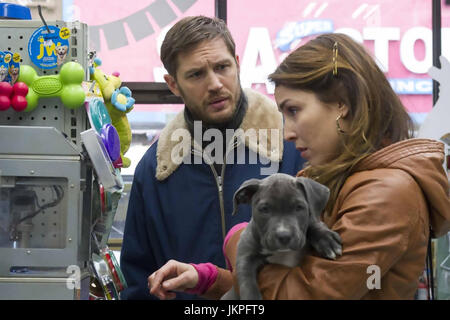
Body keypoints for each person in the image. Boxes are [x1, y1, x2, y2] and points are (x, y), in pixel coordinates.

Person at [148, 32, 450, 300]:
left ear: (342, 104)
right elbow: (289, 282)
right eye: (284, 113)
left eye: (294, 110)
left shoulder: (386, 194)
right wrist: (208, 280)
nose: (287, 132)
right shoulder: (332, 180)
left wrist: (240, 238)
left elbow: (307, 294)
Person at [120, 16, 305, 300]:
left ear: (238, 63)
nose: (215, 84)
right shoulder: (156, 169)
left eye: (222, 67)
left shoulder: (294, 146)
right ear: (173, 84)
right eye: (196, 74)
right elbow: (139, 281)